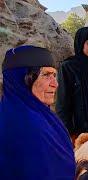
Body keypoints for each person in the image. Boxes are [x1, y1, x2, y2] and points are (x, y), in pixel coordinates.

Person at [0, 45, 75, 179]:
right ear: (21, 80)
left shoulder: (43, 116)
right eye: (46, 75)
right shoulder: (25, 126)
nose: (55, 84)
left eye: (54, 75)